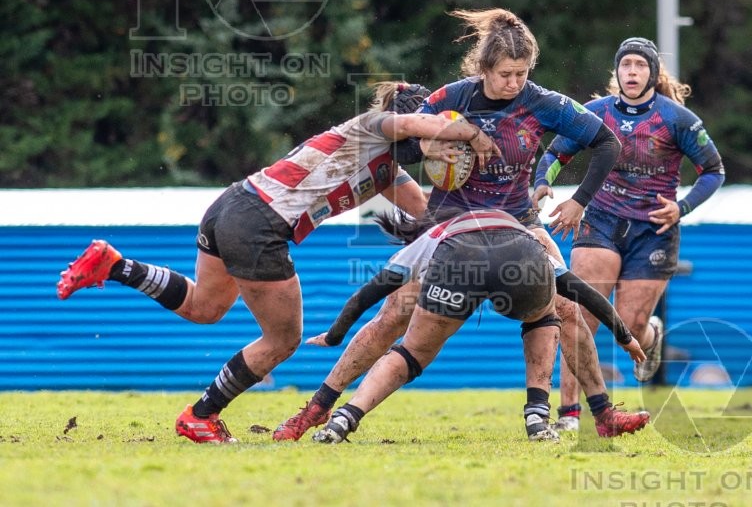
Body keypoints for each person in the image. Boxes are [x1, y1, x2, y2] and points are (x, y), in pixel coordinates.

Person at [273, 9, 650, 442]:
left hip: (517, 219)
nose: (514, 83)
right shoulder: (452, 98)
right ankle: (317, 407)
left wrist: (580, 201)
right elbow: (398, 146)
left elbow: (607, 142)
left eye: (522, 74)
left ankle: (602, 414)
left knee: (566, 307)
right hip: (451, 221)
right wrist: (429, 146)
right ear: (483, 68)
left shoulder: (544, 102)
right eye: (505, 74)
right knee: (394, 313)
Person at [55, 82, 501, 444]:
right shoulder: (371, 127)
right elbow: (410, 122)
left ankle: (115, 265)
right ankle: (201, 416)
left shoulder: (386, 170)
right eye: (426, 132)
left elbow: (427, 217)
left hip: (233, 205)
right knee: (284, 338)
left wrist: (482, 215)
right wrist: (470, 134)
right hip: (259, 223)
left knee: (204, 307)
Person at [303, 209, 646, 443]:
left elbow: (370, 291)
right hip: (518, 261)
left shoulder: (432, 236)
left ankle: (344, 417)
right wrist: (625, 337)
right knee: (545, 316)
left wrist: (335, 334)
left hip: (457, 264)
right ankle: (537, 417)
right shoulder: (528, 237)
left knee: (412, 352)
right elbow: (583, 292)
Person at [532, 37, 725, 431]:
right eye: (626, 65)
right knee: (578, 317)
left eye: (640, 65)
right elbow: (555, 153)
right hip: (601, 222)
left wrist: (682, 207)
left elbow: (714, 171)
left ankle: (651, 335)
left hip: (653, 231)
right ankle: (569, 414)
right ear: (616, 71)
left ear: (653, 73)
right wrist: (543, 181)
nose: (632, 72)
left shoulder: (677, 119)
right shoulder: (595, 113)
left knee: (631, 326)